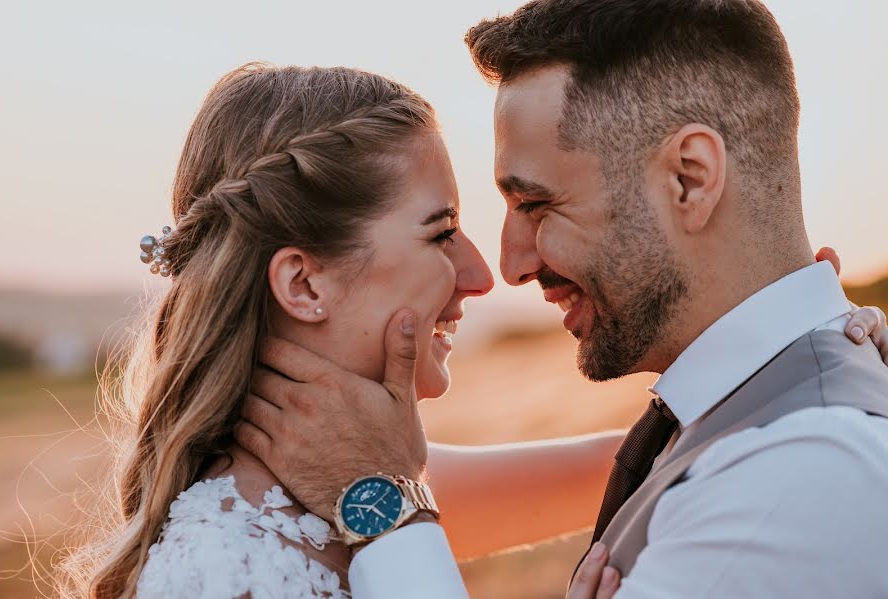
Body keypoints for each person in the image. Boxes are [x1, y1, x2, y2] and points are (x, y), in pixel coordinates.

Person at [236, 1, 888, 598]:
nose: (510, 266)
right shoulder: (758, 422)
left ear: (690, 178)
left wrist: (378, 506)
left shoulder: (805, 470)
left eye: (537, 203)